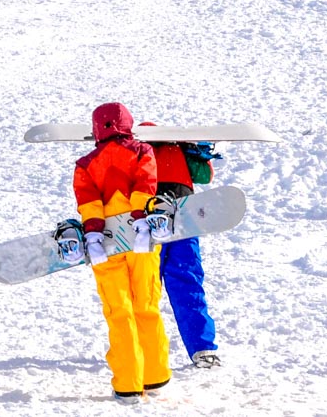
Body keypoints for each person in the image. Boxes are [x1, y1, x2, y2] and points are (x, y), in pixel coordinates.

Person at [73, 102, 171, 401]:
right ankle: (154, 378)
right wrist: (141, 220)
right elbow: (146, 183)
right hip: (141, 238)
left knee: (119, 311)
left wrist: (91, 232)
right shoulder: (142, 151)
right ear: (127, 124)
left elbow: (87, 198)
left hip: (105, 240)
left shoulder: (86, 163)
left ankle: (128, 384)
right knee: (146, 304)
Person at [141, 125, 223, 370]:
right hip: (163, 225)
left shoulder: (175, 150)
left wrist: (196, 152)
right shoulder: (143, 151)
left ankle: (200, 348)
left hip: (172, 225)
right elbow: (205, 176)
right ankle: (199, 349)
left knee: (161, 286)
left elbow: (205, 175)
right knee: (175, 286)